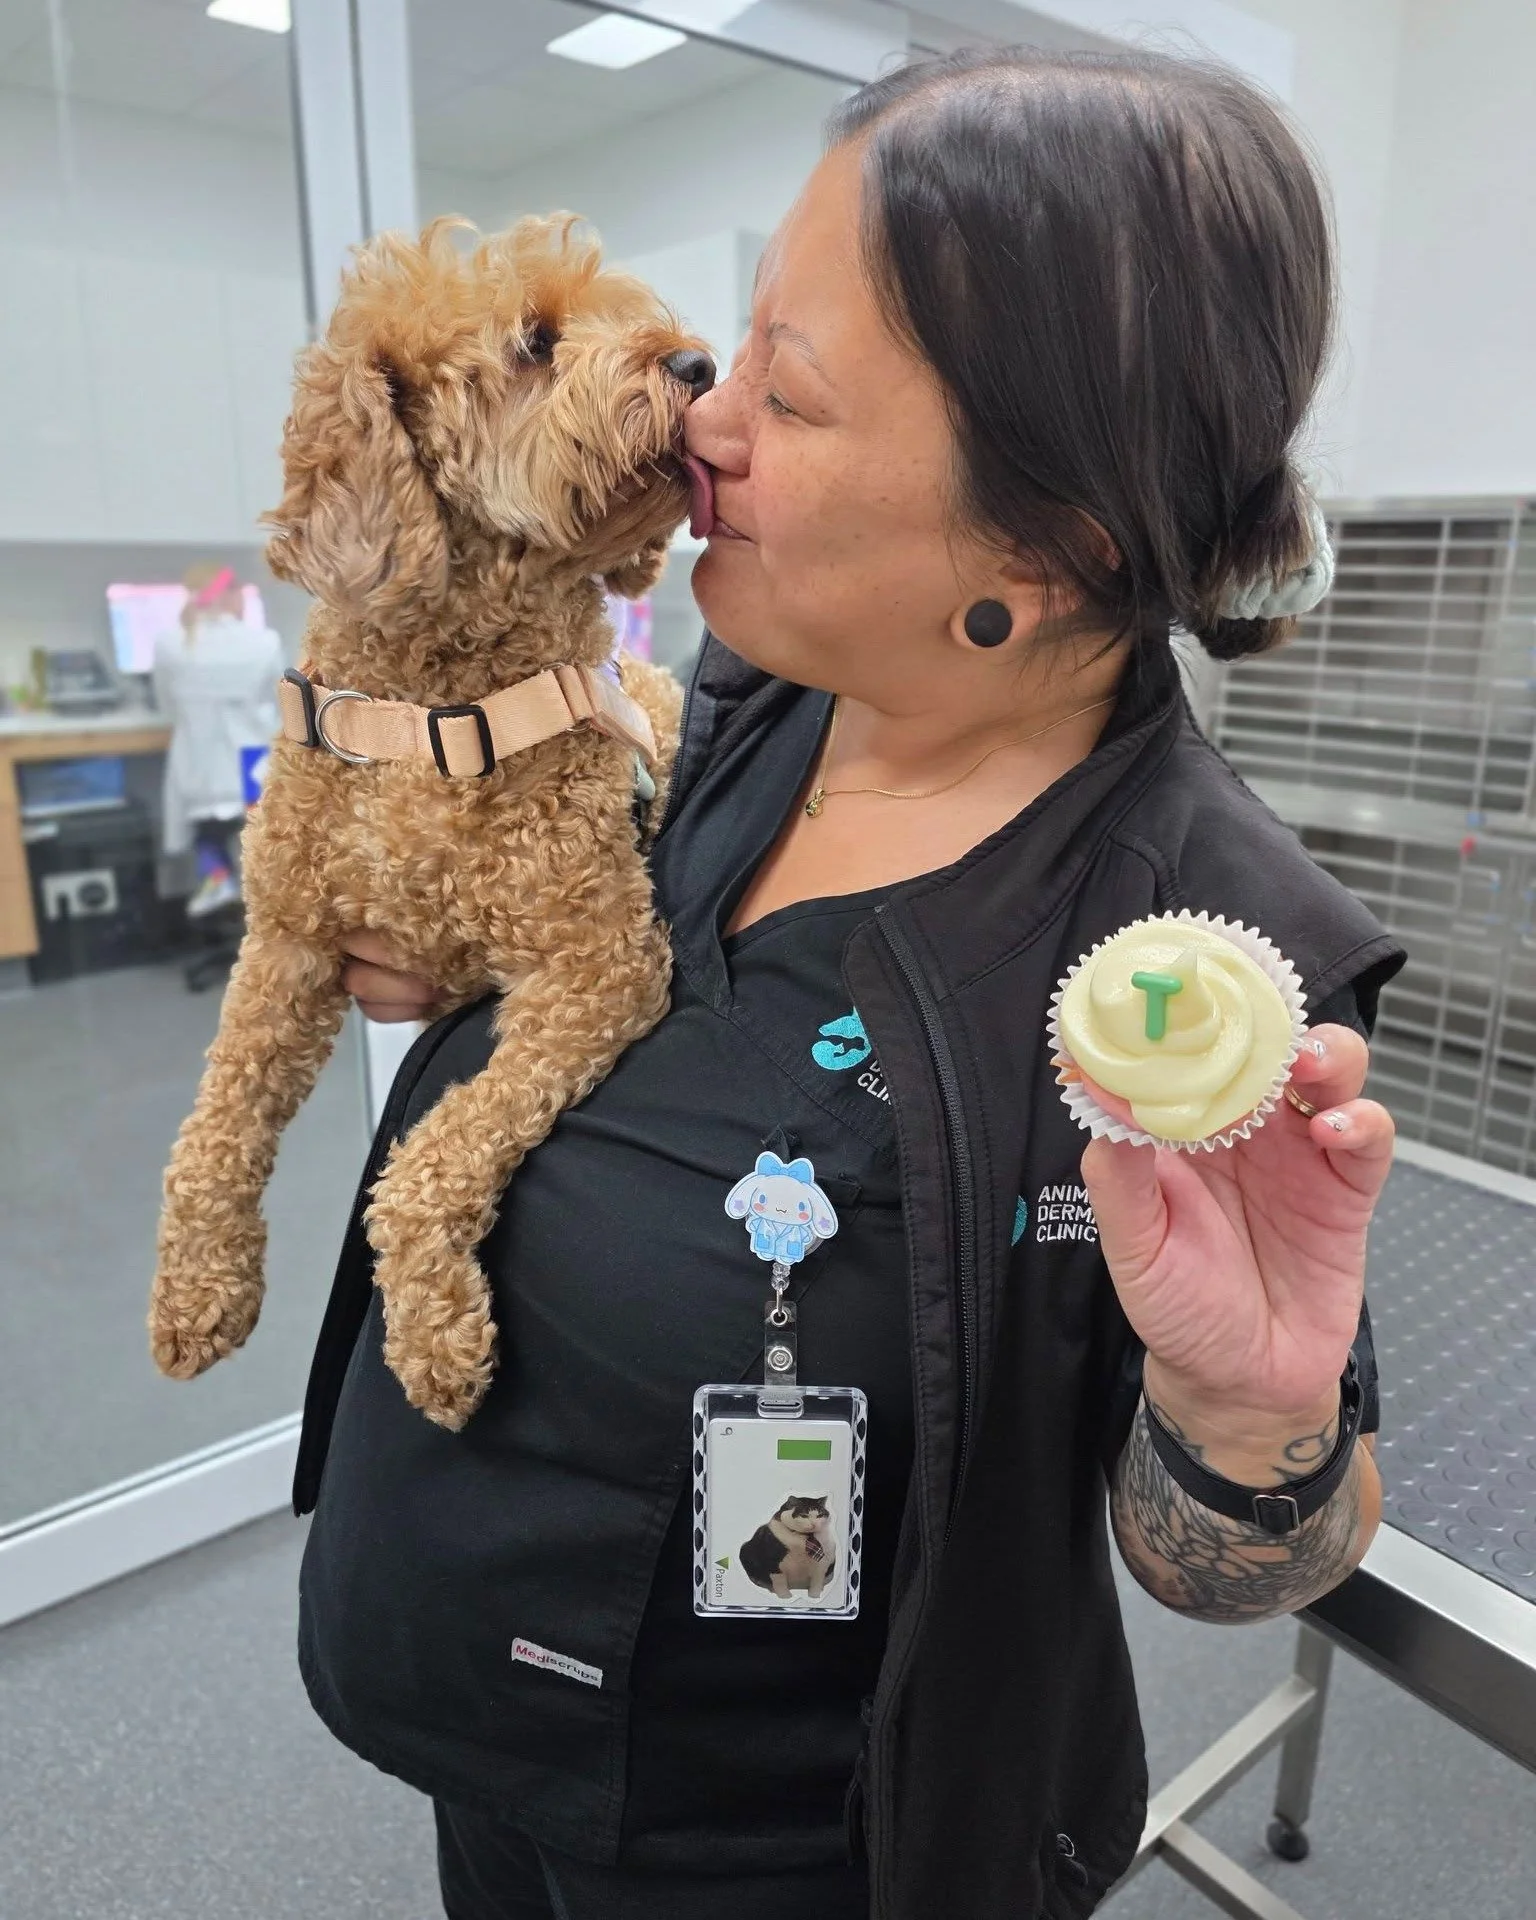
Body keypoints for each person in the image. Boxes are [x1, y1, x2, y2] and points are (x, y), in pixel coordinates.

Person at [292, 47, 1404, 1920]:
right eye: (743, 344)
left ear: (1050, 554)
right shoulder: (734, 705)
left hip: (796, 1843)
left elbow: (1234, 1565)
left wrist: (1246, 1424)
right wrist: (460, 959)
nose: (705, 417)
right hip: (471, 1703)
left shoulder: (1187, 956)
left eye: (789, 396)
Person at [151, 561, 282, 917]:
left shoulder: (167, 644)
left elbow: (167, 708)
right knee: (262, 839)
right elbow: (280, 705)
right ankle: (270, 906)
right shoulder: (264, 642)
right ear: (231, 594)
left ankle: (218, 878)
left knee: (208, 835)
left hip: (199, 768)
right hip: (252, 765)